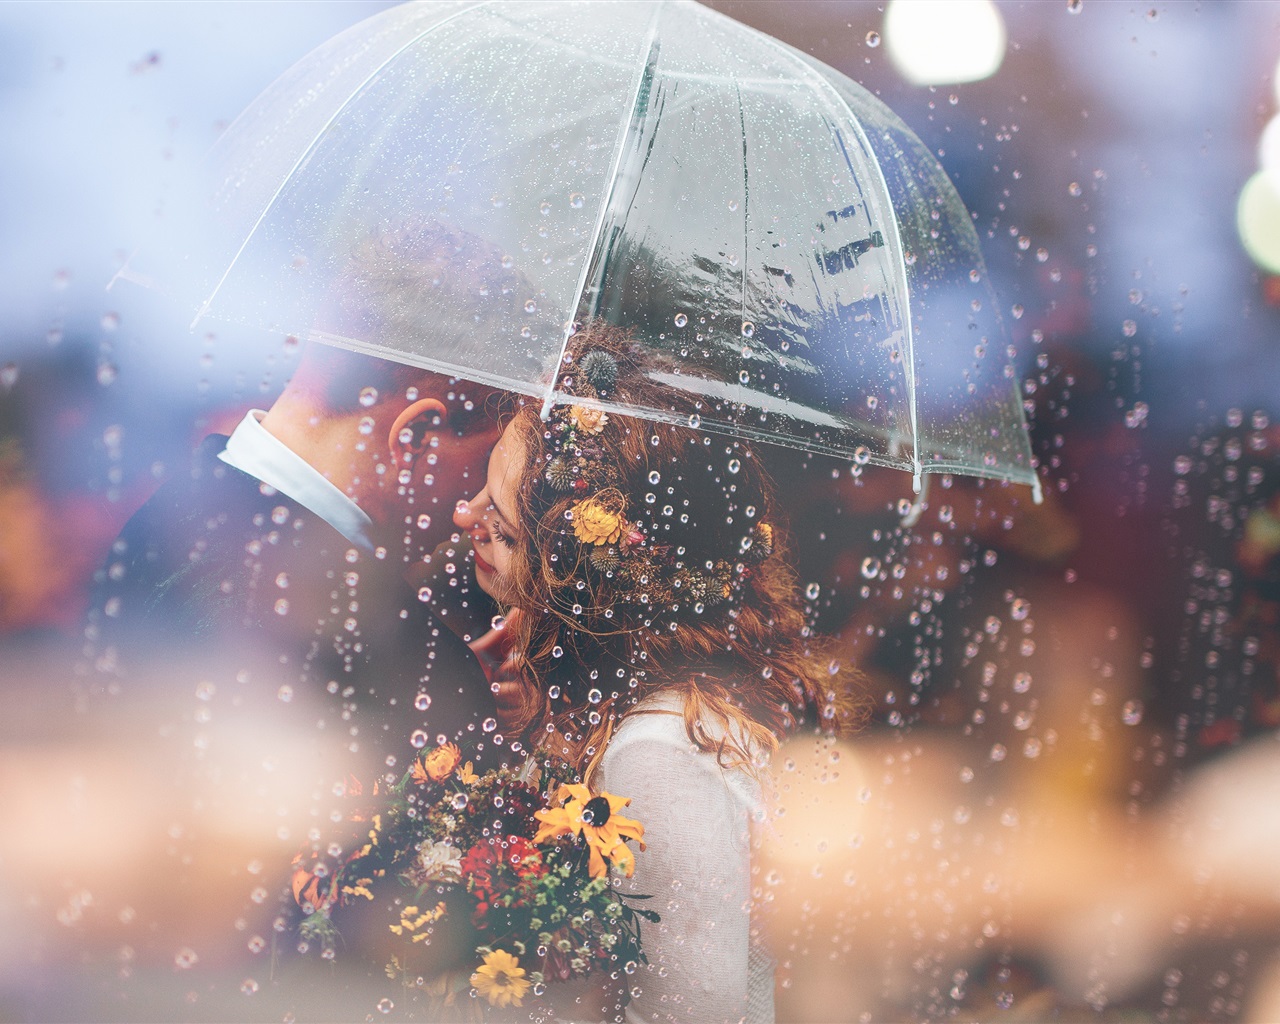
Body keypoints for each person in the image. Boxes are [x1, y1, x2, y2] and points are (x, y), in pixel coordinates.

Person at [452, 322, 864, 1023]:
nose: (466, 515)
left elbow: (693, 1011)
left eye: (504, 526)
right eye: (480, 491)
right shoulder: (688, 707)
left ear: (577, 578)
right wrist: (544, 737)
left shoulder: (655, 752)